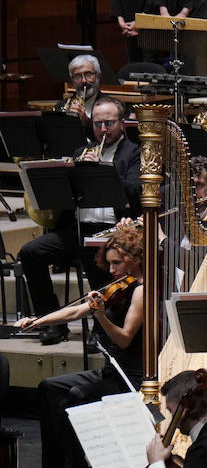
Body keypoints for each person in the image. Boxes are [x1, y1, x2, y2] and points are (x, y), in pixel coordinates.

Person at [27, 223, 146, 468]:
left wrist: (101, 316)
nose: (111, 269)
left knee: (79, 394)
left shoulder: (141, 291)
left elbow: (125, 338)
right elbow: (75, 312)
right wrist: (37, 320)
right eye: (110, 263)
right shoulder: (121, 285)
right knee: (50, 387)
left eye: (117, 263)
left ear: (135, 260)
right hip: (110, 371)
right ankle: (63, 466)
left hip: (131, 375)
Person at [18, 97, 142, 343]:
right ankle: (51, 319)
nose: (103, 130)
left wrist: (103, 172)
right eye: (97, 124)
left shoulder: (135, 153)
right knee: (31, 252)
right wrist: (66, 174)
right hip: (76, 228)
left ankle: (102, 326)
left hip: (112, 230)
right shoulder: (81, 152)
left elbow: (137, 191)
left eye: (109, 123)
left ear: (122, 123)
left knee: (92, 253)